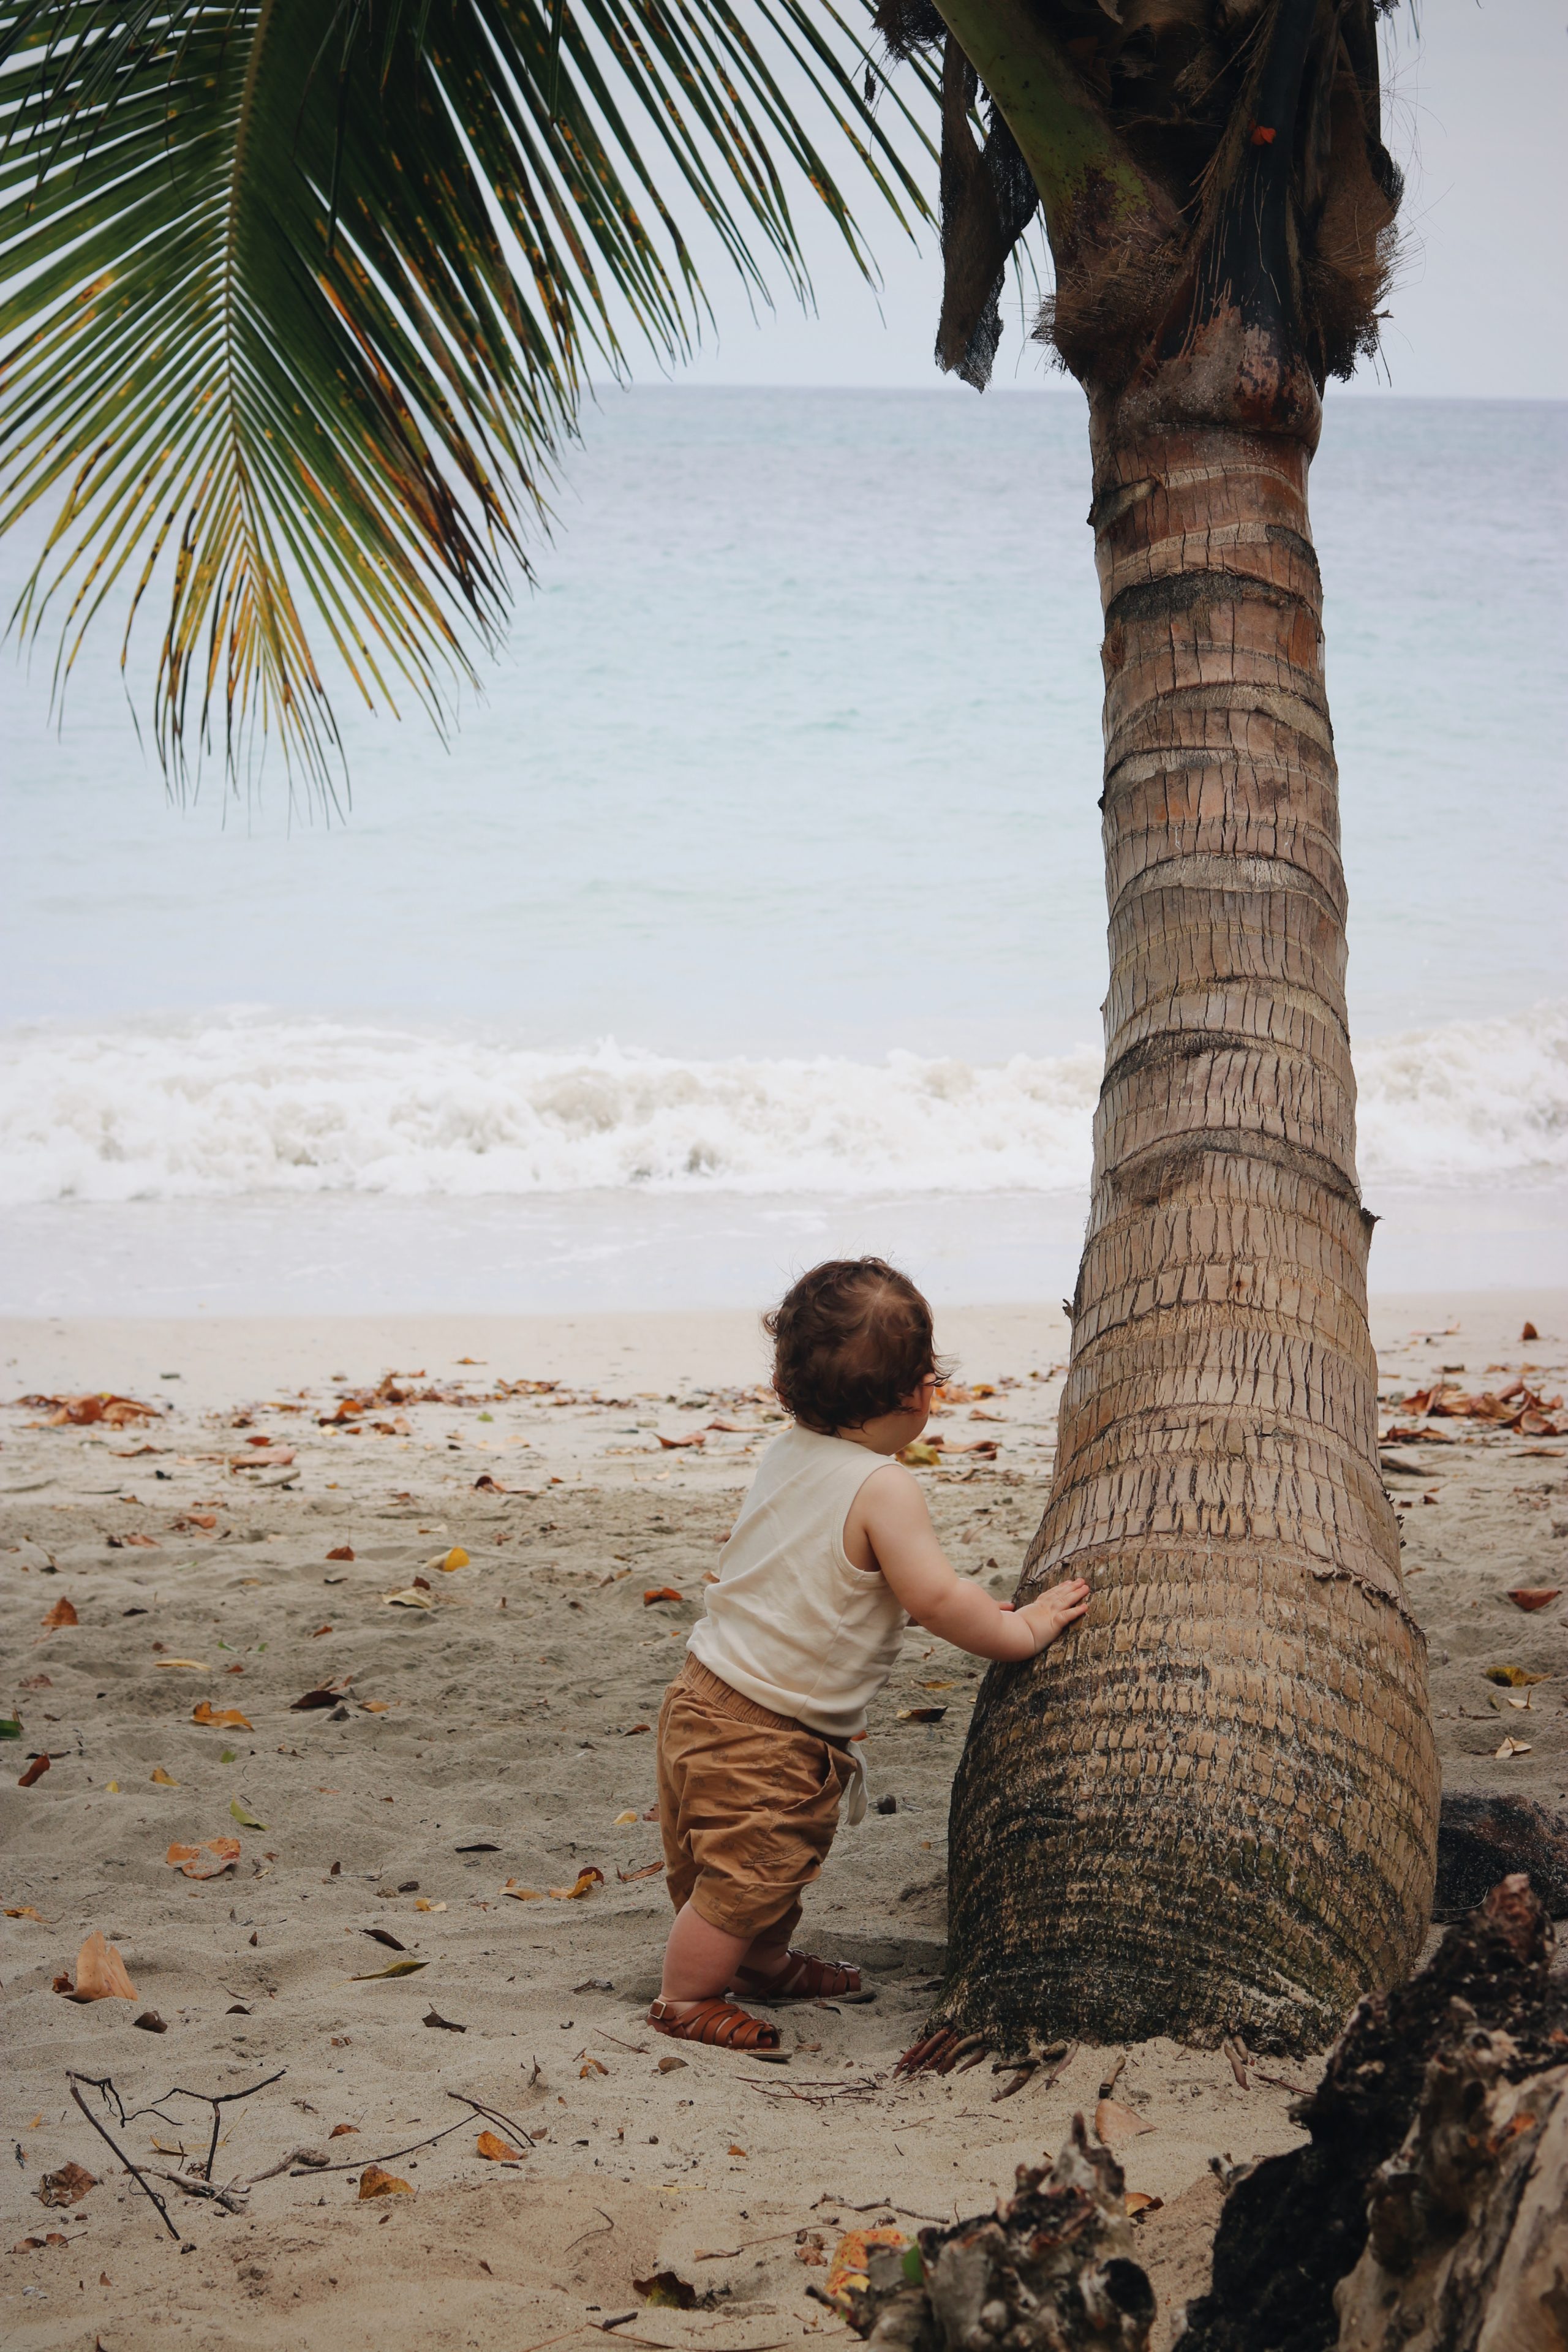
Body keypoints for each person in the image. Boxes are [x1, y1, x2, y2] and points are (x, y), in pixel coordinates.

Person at [648, 1256, 1090, 2050]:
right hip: (768, 1733)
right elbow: (935, 1596)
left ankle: (758, 1964)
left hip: (703, 1696)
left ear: (790, 1386)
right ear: (919, 1391)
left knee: (758, 1863)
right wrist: (1020, 1630)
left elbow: (825, 1579)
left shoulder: (788, 1455)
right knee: (749, 1875)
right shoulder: (885, 1488)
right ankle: (685, 1997)